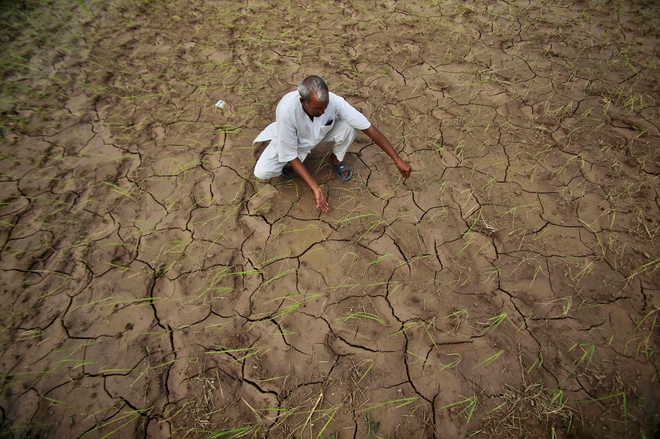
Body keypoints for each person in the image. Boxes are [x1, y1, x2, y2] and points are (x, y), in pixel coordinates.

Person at [253, 75, 412, 212]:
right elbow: (290, 154)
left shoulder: (334, 102)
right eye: (317, 108)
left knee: (350, 126)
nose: (323, 112)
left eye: (325, 106)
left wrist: (397, 159)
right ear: (303, 102)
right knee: (262, 172)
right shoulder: (287, 112)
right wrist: (315, 187)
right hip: (294, 141)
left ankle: (335, 159)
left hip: (320, 134)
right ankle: (291, 163)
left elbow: (368, 127)